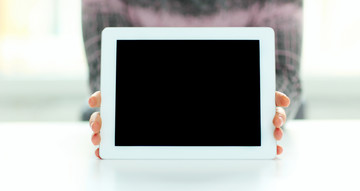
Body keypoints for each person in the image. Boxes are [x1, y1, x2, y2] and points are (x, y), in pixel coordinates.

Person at [83, 0, 302, 158]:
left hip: (240, 141)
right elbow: (106, 69)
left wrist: (270, 109)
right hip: (143, 142)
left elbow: (283, 72)